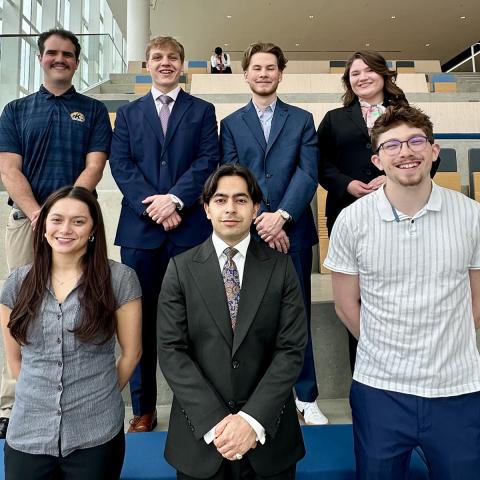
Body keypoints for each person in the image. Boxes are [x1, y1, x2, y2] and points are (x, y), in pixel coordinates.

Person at [324, 105, 480, 480]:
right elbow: (346, 305)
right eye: (392, 145)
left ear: (434, 150)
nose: (405, 152)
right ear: (377, 161)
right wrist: (388, 348)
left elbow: (477, 301)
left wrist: (443, 345)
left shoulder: (471, 215)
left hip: (456, 388)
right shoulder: (352, 220)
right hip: (381, 389)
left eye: (415, 141)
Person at [158, 164, 307, 480]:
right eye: (221, 199)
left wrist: (251, 421)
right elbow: (172, 352)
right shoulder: (180, 269)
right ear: (207, 208)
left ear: (255, 208)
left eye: (241, 200)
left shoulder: (281, 268)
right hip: (201, 441)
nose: (230, 208)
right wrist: (218, 424)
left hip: (269, 438)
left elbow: (291, 350)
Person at [0, 28, 111, 438]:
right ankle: (13, 401)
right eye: (52, 53)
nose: (59, 59)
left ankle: (81, 397)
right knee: (21, 307)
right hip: (26, 223)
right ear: (41, 58)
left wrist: (66, 215)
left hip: (78, 226)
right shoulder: (15, 110)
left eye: (67, 54)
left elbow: (94, 166)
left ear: (77, 62)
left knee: (84, 304)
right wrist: (38, 214)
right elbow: (9, 169)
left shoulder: (94, 110)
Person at [109, 35, 219, 432]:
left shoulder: (203, 111)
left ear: (183, 64)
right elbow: (121, 166)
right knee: (140, 320)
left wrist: (174, 200)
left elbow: (209, 160)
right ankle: (143, 408)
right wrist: (153, 206)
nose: (166, 63)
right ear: (147, 64)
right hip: (141, 233)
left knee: (195, 321)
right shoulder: (128, 112)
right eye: (158, 57)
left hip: (188, 228)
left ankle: (195, 407)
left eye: (173, 57)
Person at [0, 186, 142, 479]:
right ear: (42, 226)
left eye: (78, 221)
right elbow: (15, 361)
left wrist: (98, 393)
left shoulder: (119, 280)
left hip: (95, 432)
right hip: (29, 431)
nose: (65, 229)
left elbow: (132, 353)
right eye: (57, 219)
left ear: (93, 230)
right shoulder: (17, 283)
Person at [220, 42, 326, 425]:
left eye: (270, 68)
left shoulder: (301, 120)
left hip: (292, 232)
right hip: (248, 235)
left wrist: (281, 215)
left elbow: (307, 172)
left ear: (281, 74)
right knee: (251, 318)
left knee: (297, 315)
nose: (263, 74)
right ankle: (257, 397)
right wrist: (261, 219)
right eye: (257, 68)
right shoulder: (231, 124)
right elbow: (233, 177)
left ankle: (306, 395)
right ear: (246, 74)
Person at [317, 50, 439, 371]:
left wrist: (394, 177)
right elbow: (321, 165)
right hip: (348, 211)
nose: (362, 78)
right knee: (353, 297)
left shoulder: (409, 115)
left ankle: (409, 369)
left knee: (401, 292)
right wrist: (348, 184)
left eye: (368, 71)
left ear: (384, 75)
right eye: (354, 74)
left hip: (403, 212)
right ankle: (364, 375)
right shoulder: (334, 118)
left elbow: (431, 158)